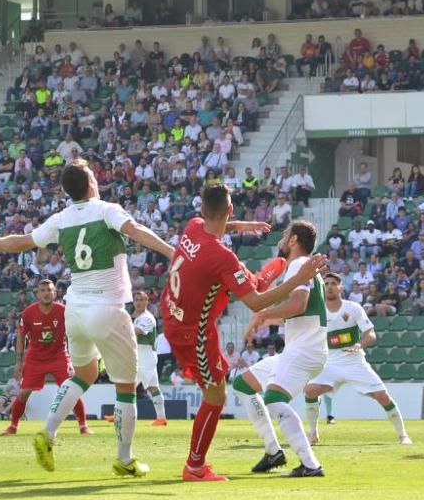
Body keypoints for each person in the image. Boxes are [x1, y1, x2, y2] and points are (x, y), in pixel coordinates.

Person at [0, 159, 176, 477]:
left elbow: (24, 241)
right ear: (91, 181)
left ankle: (48, 432)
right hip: (106, 308)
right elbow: (135, 231)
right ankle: (124, 457)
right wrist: (172, 252)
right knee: (125, 388)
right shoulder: (107, 209)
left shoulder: (61, 219)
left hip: (75, 310)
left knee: (84, 375)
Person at [161, 184, 325, 482]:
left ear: (203, 209)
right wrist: (299, 277)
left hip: (173, 315)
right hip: (193, 331)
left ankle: (271, 450)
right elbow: (255, 301)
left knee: (226, 388)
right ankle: (195, 467)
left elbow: (216, 225)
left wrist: (240, 226)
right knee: (215, 396)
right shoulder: (222, 257)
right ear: (230, 209)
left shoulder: (193, 226)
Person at [231, 220, 329, 477]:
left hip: (305, 349)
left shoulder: (298, 265)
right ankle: (273, 451)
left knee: (274, 399)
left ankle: (311, 464)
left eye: (285, 235)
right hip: (302, 347)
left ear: (294, 240)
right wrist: (265, 317)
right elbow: (300, 312)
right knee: (243, 384)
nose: (281, 240)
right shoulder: (302, 268)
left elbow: (297, 304)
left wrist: (262, 315)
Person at [301, 272, 411, 446]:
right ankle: (313, 434)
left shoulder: (353, 308)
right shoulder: (318, 310)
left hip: (354, 361)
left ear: (340, 288)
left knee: (382, 396)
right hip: (330, 362)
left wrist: (359, 344)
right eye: (326, 283)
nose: (329, 286)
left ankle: (402, 435)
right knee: (310, 390)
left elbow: (371, 334)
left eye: (333, 284)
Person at [1, 279, 91, 437]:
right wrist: (19, 361)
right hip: (35, 357)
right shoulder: (28, 313)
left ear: (55, 293)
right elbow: (21, 336)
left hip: (59, 356)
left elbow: (75, 332)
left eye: (49, 290)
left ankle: (83, 426)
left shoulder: (63, 310)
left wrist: (75, 355)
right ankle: (13, 426)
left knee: (72, 390)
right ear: (37, 293)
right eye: (42, 290)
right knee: (23, 393)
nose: (46, 293)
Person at [132, 289, 167, 425]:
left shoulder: (147, 317)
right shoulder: (138, 318)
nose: (139, 302)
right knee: (152, 387)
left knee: (129, 386)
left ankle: (124, 414)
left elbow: (138, 331)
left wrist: (120, 331)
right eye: (137, 300)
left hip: (145, 355)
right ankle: (161, 418)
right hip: (140, 355)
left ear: (147, 301)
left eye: (142, 300)